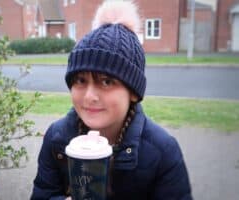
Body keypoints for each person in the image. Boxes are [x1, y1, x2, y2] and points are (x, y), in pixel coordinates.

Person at [30, 1, 192, 200]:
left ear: (133, 92)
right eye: (80, 80)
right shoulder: (57, 138)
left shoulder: (162, 151)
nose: (89, 96)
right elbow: (43, 194)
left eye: (106, 81)